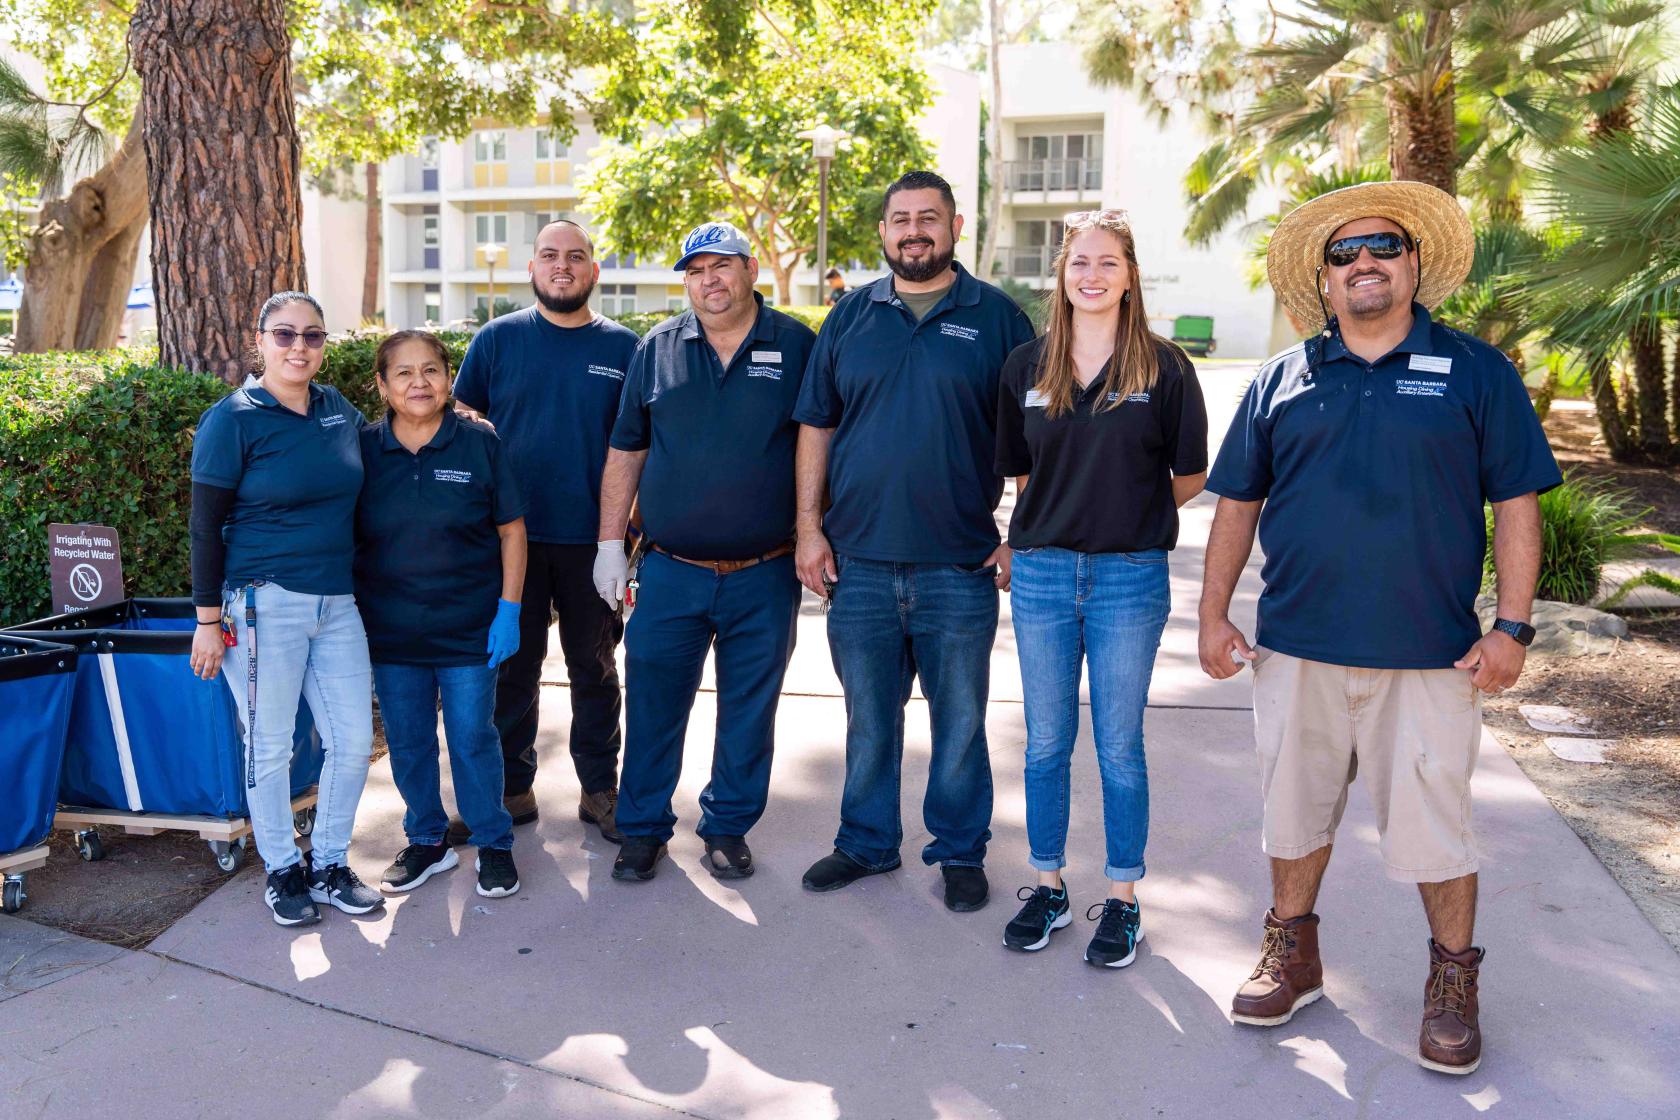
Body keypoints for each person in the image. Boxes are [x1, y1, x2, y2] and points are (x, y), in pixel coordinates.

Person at [1197, 181, 1561, 1075]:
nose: (1364, 261)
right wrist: (1212, 615)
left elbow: (1516, 502)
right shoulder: (1281, 377)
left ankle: (1451, 982)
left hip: (1430, 656)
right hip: (1297, 647)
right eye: (1344, 252)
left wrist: (1512, 626)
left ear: (1413, 263)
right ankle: (1295, 953)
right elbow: (1237, 504)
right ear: (1323, 280)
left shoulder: (1477, 371)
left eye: (1382, 246)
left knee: (1438, 829)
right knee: (1293, 817)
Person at [793, 170, 1035, 912]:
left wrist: (1018, 534)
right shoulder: (850, 316)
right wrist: (808, 527)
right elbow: (817, 425)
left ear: (955, 226)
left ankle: (960, 850)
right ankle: (866, 842)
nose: (914, 231)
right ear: (883, 233)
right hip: (858, 561)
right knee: (869, 713)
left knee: (959, 717)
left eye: (928, 218)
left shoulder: (996, 318)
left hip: (958, 563)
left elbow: (1033, 434)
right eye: (901, 220)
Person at [994, 210, 1207, 966]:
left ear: (1130, 274)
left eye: (1107, 263)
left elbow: (1190, 474)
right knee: (1046, 744)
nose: (1091, 276)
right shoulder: (1026, 365)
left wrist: (1129, 513)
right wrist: (1053, 521)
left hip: (1129, 576)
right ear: (1062, 273)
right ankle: (1047, 885)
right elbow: (1020, 469)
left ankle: (1122, 900)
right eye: (1079, 262)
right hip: (1044, 573)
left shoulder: (1166, 368)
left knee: (1119, 746)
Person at [594, 221, 816, 881]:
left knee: (749, 708)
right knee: (655, 704)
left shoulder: (799, 345)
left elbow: (819, 443)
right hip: (670, 571)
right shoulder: (656, 349)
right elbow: (626, 448)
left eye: (722, 266)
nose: (709, 281)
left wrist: (813, 529)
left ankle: (726, 827)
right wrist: (611, 543)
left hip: (765, 572)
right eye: (695, 270)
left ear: (752, 272)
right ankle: (642, 830)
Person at [188, 291, 384, 927]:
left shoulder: (335, 408)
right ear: (260, 341)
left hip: (338, 603)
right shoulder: (234, 418)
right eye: (285, 335)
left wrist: (455, 421)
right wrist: (207, 623)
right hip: (261, 606)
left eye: (313, 336)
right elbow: (203, 526)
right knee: (270, 746)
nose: (299, 347)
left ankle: (328, 862)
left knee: (353, 740)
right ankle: (282, 868)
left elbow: (387, 449)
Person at [452, 219, 640, 846]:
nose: (563, 266)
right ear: (531, 269)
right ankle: (511, 789)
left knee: (595, 668)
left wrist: (630, 529)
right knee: (512, 668)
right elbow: (461, 418)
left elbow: (641, 443)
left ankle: (599, 789)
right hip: (512, 542)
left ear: (593, 271)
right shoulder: (497, 340)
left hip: (595, 541)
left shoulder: (624, 349)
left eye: (577, 257)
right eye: (550, 256)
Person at [355, 331, 529, 898]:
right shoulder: (361, 451)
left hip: (469, 627)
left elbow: (512, 531)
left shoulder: (480, 445)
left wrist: (509, 609)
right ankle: (427, 840)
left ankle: (493, 842)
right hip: (391, 630)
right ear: (382, 385)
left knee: (472, 738)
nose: (418, 383)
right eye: (403, 373)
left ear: (449, 378)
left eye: (430, 370)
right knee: (407, 741)